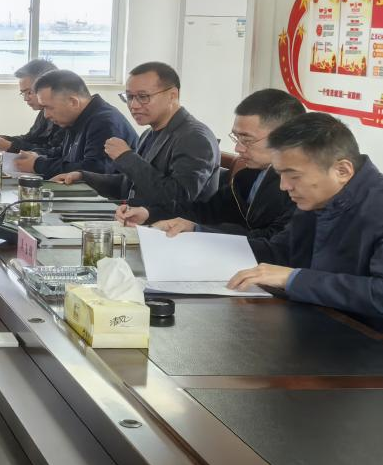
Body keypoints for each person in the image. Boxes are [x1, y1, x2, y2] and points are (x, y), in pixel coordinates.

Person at [228, 113, 383, 329]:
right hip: (316, 324)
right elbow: (281, 251)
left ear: (342, 171)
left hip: (365, 339)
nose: (284, 186)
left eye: (294, 176)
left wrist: (293, 279)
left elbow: (379, 294)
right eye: (280, 174)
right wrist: (201, 241)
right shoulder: (318, 198)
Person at [117, 89, 304, 245]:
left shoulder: (300, 186)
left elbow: (276, 240)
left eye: (247, 140)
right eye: (237, 138)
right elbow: (207, 210)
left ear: (285, 137)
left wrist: (198, 230)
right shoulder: (248, 176)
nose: (238, 148)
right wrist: (149, 213)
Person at [53, 62, 219, 213]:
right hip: (137, 219)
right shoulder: (150, 133)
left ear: (172, 95)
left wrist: (126, 157)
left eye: (143, 97)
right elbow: (130, 185)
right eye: (129, 97)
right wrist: (84, 177)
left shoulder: (195, 138)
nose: (133, 105)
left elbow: (177, 197)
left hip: (171, 229)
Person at [13, 69, 138, 178]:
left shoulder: (104, 123)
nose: (45, 115)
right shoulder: (75, 118)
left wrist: (38, 165)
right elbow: (64, 153)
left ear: (73, 102)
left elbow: (95, 170)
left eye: (48, 107)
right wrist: (37, 155)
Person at [0, 59, 64, 156]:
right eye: (23, 93)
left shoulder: (65, 116)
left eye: (29, 92)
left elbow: (52, 153)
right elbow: (30, 139)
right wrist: (4, 139)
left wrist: (9, 146)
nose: (26, 99)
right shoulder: (43, 112)